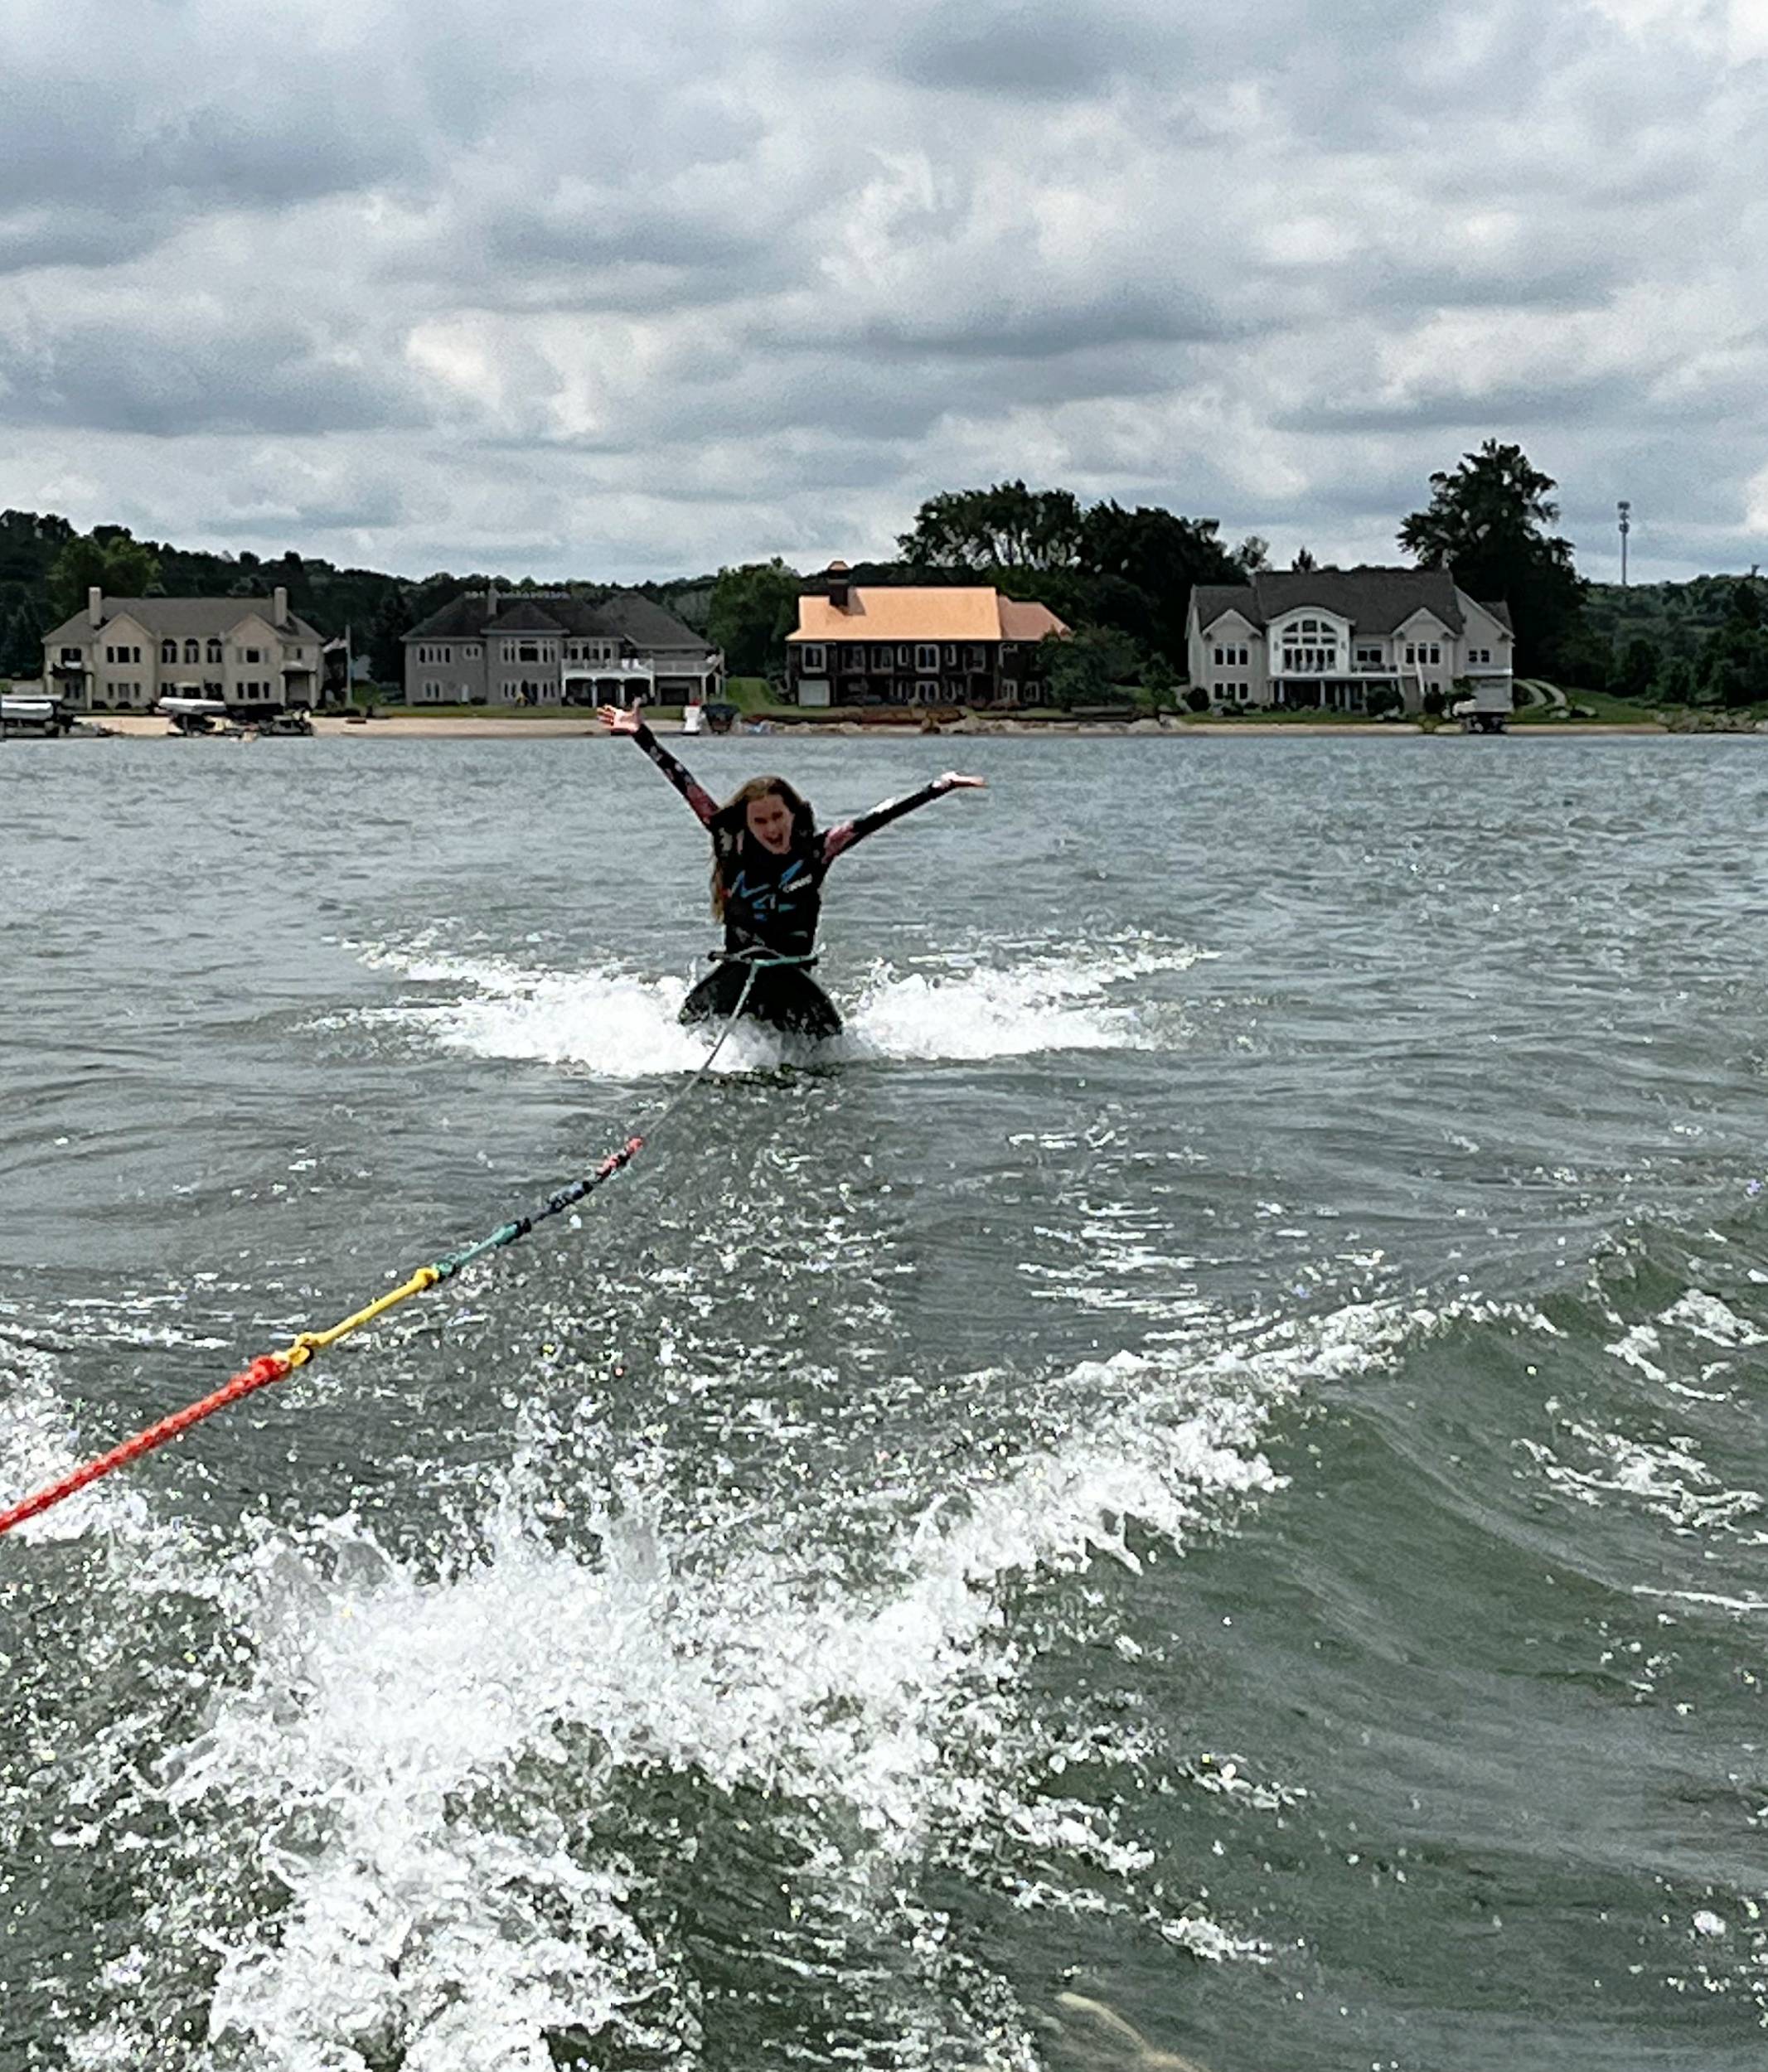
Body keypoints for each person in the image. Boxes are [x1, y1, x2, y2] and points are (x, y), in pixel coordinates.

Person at [599, 704, 985, 1035]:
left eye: (777, 818)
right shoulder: (729, 841)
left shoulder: (817, 851)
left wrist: (938, 787)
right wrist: (641, 735)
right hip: (740, 966)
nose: (771, 828)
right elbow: (685, 783)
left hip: (792, 971)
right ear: (747, 824)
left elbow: (877, 818)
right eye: (761, 821)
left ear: (792, 814)